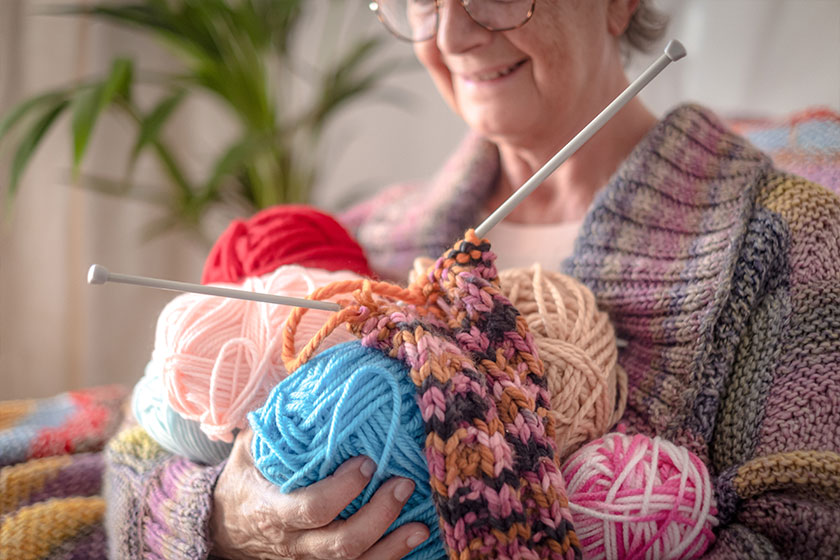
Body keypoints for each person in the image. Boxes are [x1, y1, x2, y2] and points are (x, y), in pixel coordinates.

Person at [103, 0, 840, 558]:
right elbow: (139, 445)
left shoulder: (790, 245)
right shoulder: (362, 243)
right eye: (421, 0)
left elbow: (806, 534)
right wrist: (224, 524)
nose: (452, 35)